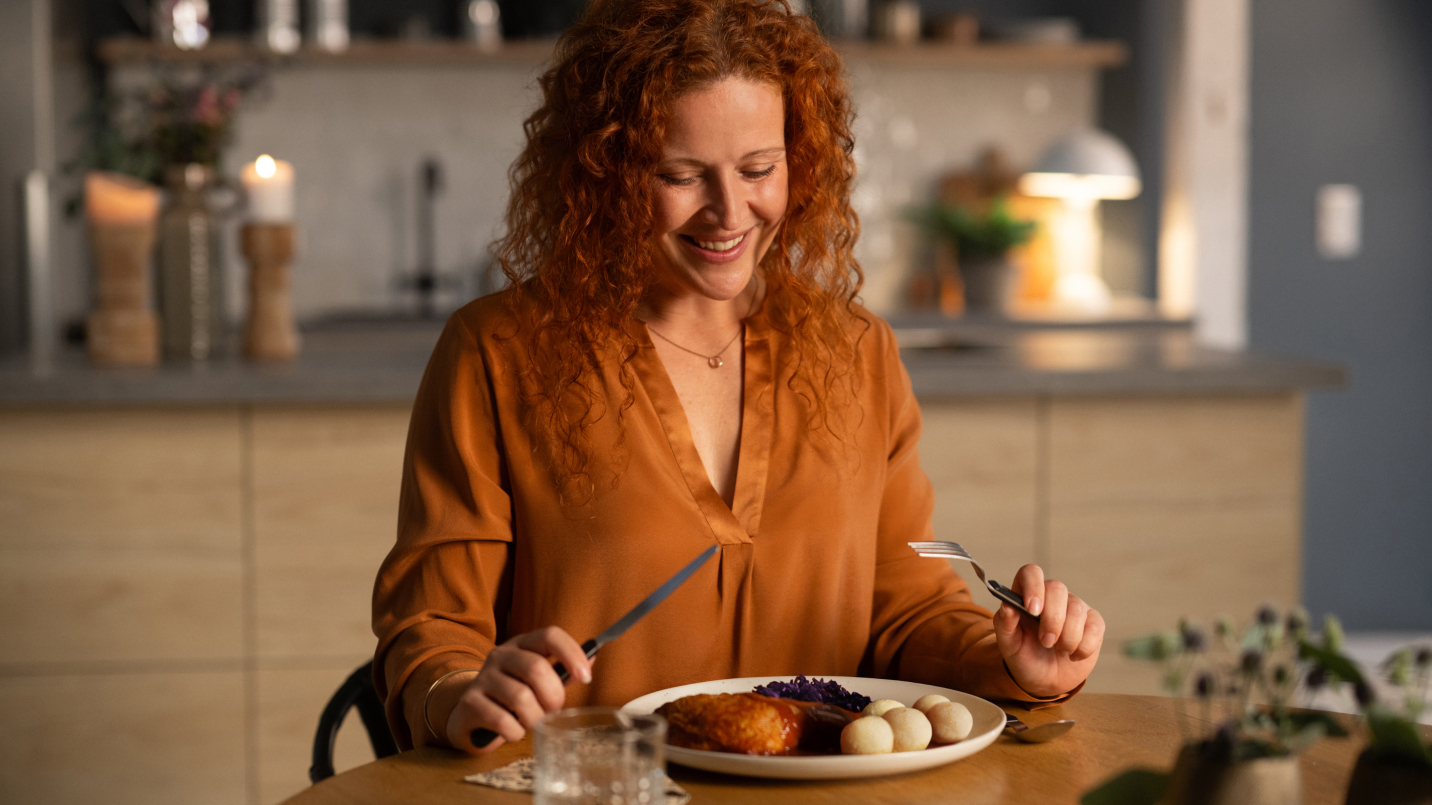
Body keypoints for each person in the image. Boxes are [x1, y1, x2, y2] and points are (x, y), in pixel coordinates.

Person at [372, 0, 1104, 754]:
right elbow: (433, 634)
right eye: (680, 175)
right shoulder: (496, 353)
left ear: (800, 160)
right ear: (604, 172)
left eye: (759, 169)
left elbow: (903, 612)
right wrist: (460, 690)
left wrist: (1012, 661)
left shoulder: (855, 351)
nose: (729, 213)